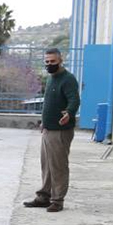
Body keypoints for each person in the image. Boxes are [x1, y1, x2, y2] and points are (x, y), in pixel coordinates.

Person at [24, 48, 80, 213]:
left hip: (60, 131)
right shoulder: (51, 79)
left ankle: (57, 200)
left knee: (58, 166)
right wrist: (44, 121)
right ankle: (44, 196)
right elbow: (49, 103)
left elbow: (74, 100)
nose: (49, 65)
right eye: (47, 62)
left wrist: (69, 113)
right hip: (48, 129)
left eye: (53, 62)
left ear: (60, 60)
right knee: (46, 164)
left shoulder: (68, 79)